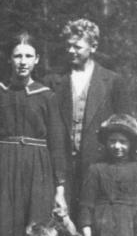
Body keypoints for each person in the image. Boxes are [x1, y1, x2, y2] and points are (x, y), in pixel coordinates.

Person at [0, 32, 67, 236]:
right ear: (9, 59)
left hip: (37, 170)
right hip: (1, 169)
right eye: (17, 56)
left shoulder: (47, 96)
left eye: (28, 56)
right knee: (1, 224)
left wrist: (60, 188)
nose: (23, 61)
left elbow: (57, 144)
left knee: (35, 226)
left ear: (37, 59)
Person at [44, 19, 128, 223]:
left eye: (77, 46)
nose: (71, 51)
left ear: (93, 47)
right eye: (68, 46)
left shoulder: (112, 81)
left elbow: (125, 127)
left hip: (99, 165)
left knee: (94, 223)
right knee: (60, 223)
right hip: (61, 167)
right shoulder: (52, 81)